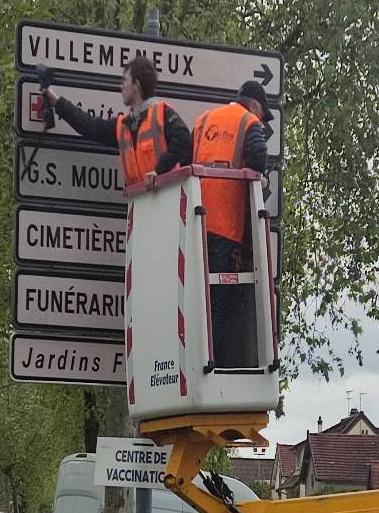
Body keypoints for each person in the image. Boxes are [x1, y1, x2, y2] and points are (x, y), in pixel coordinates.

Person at [191, 80, 271, 364]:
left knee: (195, 297)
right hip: (225, 226)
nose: (261, 121)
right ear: (253, 105)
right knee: (219, 301)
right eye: (262, 114)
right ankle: (213, 367)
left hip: (193, 221)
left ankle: (194, 357)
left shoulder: (202, 122)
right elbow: (259, 158)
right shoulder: (249, 121)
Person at [43, 56, 191, 186]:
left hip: (167, 203)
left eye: (124, 81)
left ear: (136, 84)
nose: (121, 87)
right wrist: (57, 102)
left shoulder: (163, 114)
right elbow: (89, 126)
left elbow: (184, 141)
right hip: (140, 206)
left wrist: (158, 172)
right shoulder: (123, 126)